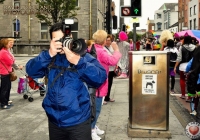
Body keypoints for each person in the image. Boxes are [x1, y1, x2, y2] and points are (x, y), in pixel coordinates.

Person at [25, 22, 107, 140]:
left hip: (78, 121)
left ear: (71, 38)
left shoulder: (82, 57)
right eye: (57, 40)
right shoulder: (49, 58)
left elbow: (100, 78)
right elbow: (31, 70)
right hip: (54, 121)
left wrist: (79, 62)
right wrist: (48, 54)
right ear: (51, 41)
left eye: (64, 39)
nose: (61, 44)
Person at [91, 30, 121, 140]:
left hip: (94, 81)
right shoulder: (101, 51)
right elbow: (112, 61)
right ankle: (91, 129)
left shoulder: (93, 48)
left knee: (94, 106)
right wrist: (117, 50)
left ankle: (93, 126)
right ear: (103, 40)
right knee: (96, 108)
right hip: (99, 83)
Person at [174, 36, 196, 101]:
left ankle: (183, 95)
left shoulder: (182, 47)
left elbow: (179, 58)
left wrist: (175, 66)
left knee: (182, 79)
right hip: (192, 66)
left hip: (183, 66)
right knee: (191, 81)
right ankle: (189, 97)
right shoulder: (195, 47)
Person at [104, 34, 116, 104]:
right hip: (106, 68)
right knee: (105, 83)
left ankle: (107, 97)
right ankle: (104, 98)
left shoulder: (112, 47)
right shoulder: (103, 48)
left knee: (110, 83)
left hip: (112, 68)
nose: (108, 42)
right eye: (107, 40)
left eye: (109, 40)